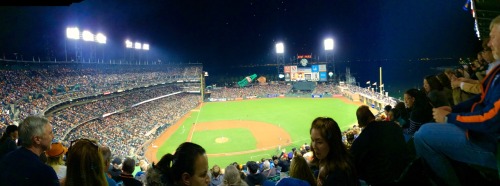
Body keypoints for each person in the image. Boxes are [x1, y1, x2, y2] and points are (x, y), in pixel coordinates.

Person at [414, 15, 500, 185]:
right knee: (423, 132)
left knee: (422, 136)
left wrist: (449, 118)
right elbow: (482, 96)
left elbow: (491, 119)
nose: (489, 43)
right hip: (483, 136)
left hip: (491, 145)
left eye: (493, 37)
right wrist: (454, 110)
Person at [350, 105, 411, 185]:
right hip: (405, 172)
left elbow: (354, 166)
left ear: (359, 123)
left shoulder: (359, 142)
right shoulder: (393, 125)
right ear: (372, 116)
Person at [0, 116, 59, 186]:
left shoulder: (6, 158)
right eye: (50, 133)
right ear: (37, 139)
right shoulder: (44, 172)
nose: (53, 136)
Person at [309, 117, 359, 186]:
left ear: (332, 143)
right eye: (313, 140)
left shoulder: (337, 176)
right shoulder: (324, 165)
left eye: (319, 142)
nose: (314, 146)